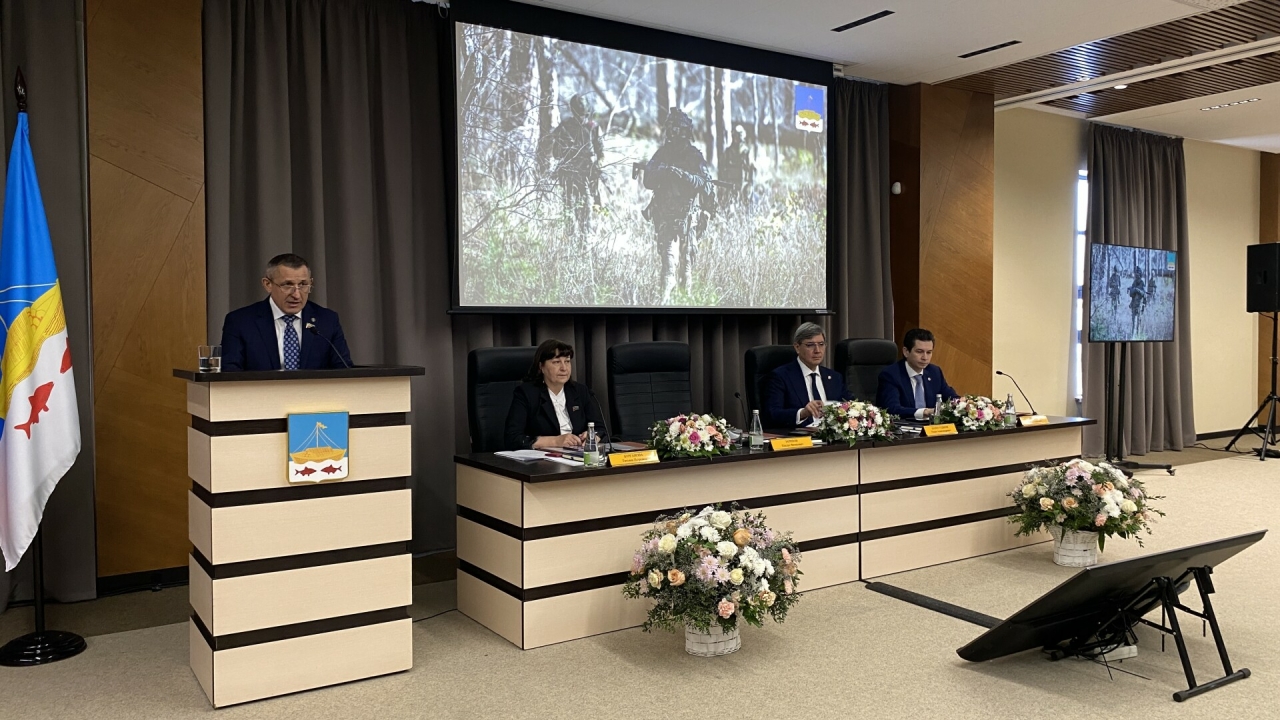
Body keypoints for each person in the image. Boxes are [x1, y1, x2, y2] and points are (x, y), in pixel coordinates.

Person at [219, 253, 353, 372]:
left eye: (303, 284)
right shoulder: (240, 322)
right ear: (267, 284)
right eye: (287, 285)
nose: (296, 295)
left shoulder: (327, 320)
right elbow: (230, 373)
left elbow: (344, 370)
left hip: (313, 393)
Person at [643, 108, 715, 303]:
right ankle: (663, 304)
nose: (673, 134)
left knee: (686, 269)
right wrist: (665, 172)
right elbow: (648, 179)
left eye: (677, 129)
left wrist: (685, 177)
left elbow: (706, 184)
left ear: (684, 131)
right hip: (666, 219)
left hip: (688, 220)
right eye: (671, 129)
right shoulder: (662, 154)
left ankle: (686, 306)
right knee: (668, 267)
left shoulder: (694, 156)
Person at [504, 339, 607, 451]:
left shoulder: (580, 391)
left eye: (567, 361)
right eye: (556, 362)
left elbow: (601, 429)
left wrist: (592, 436)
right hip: (543, 458)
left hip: (579, 455)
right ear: (541, 366)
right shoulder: (526, 393)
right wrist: (555, 441)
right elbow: (512, 438)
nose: (564, 368)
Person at [762, 323, 854, 429]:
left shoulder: (834, 377)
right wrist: (802, 413)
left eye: (821, 344)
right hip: (799, 436)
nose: (817, 350)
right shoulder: (781, 376)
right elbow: (772, 414)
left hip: (832, 436)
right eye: (810, 345)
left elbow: (850, 405)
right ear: (797, 347)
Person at [545, 93, 603, 236]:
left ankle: (584, 242)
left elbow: (601, 154)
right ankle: (570, 241)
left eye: (583, 115)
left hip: (586, 176)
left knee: (586, 215)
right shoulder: (564, 127)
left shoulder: (593, 128)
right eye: (579, 115)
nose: (581, 118)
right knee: (569, 214)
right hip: (568, 176)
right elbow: (556, 154)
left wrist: (596, 165)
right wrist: (569, 150)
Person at [876, 328, 958, 421]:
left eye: (929, 352)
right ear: (906, 352)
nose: (925, 357)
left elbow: (951, 397)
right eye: (919, 351)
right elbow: (892, 409)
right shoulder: (891, 375)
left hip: (931, 427)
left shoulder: (934, 372)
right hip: (904, 427)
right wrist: (924, 412)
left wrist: (962, 403)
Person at [718, 124, 754, 206]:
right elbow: (721, 170)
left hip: (743, 185)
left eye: (739, 137)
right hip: (730, 185)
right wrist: (721, 188)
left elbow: (751, 170)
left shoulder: (746, 153)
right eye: (735, 137)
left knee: (744, 207)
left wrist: (750, 185)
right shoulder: (727, 153)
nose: (736, 139)